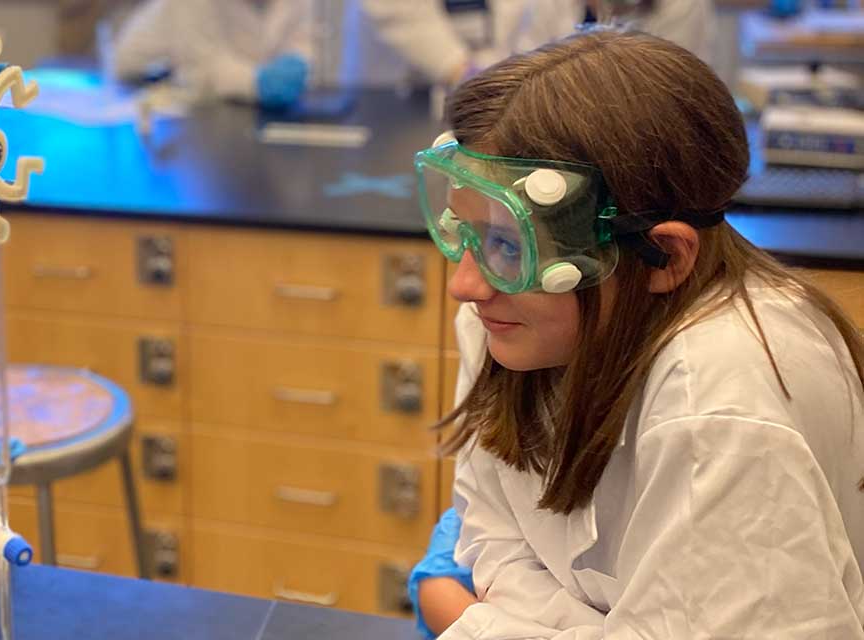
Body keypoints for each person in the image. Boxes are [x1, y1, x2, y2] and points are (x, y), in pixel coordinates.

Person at [408, 27, 864, 638]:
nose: (464, 285)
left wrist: (485, 624)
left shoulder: (720, 405)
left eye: (508, 244)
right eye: (468, 234)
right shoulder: (508, 319)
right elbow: (490, 535)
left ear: (665, 256)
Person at [359, 0, 716, 87]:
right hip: (414, 87)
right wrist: (459, 67)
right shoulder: (554, 5)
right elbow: (533, 66)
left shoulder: (680, 6)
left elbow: (673, 84)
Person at [109, 0, 315, 109]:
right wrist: (257, 82)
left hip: (225, 100)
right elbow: (203, 64)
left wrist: (296, 60)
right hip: (141, 85)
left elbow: (302, 38)